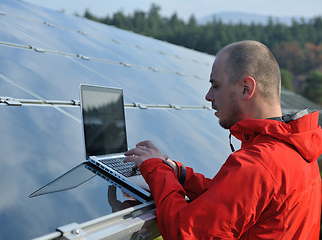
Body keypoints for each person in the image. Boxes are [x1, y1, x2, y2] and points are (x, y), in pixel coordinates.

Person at [124, 40, 322, 239]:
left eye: (215, 85)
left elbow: (184, 233)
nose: (208, 96)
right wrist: (179, 173)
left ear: (246, 88)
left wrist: (156, 170)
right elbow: (231, 202)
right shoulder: (297, 151)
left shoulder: (257, 164)